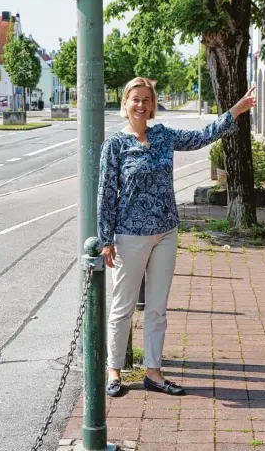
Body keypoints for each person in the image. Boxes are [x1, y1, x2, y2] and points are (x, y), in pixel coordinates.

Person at [98, 77, 256, 397]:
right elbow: (106, 195)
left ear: (153, 105)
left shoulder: (164, 136)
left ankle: (153, 373)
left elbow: (201, 136)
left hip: (166, 234)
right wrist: (105, 239)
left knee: (157, 308)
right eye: (135, 99)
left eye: (147, 99)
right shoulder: (115, 145)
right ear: (125, 104)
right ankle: (113, 370)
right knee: (122, 306)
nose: (141, 105)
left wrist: (235, 111)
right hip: (130, 236)